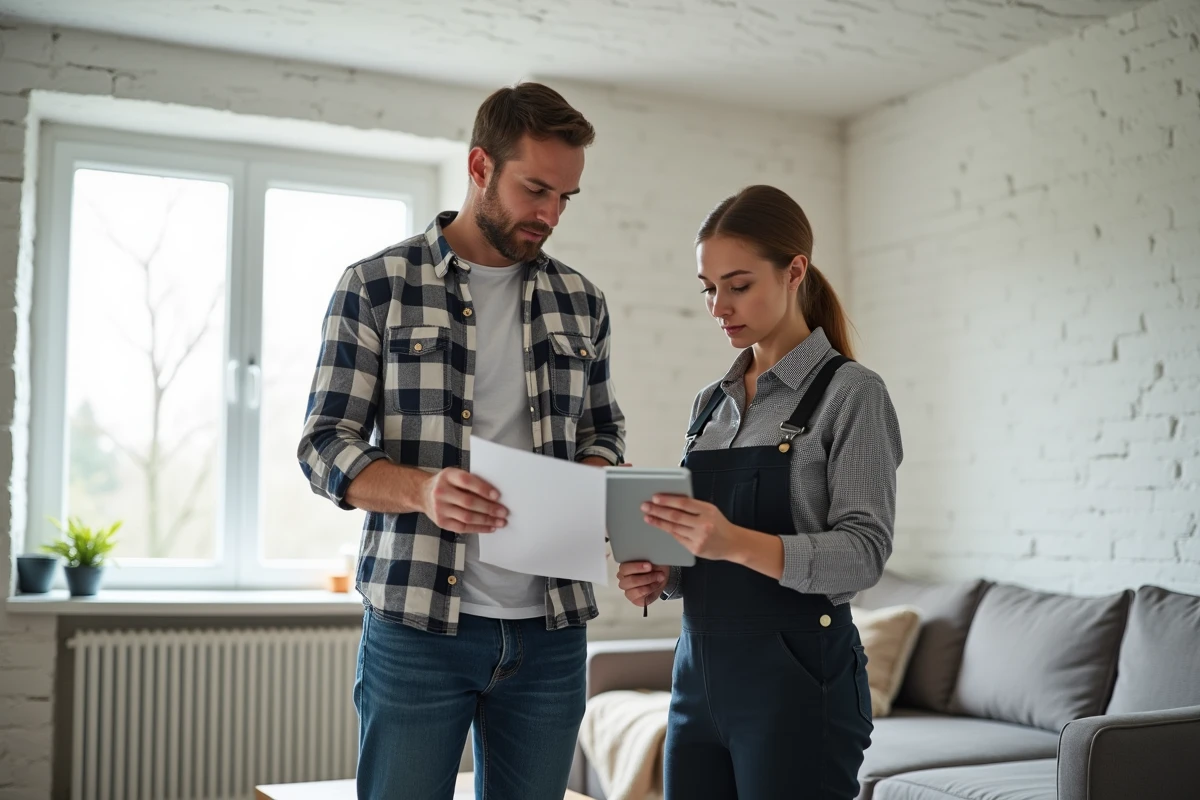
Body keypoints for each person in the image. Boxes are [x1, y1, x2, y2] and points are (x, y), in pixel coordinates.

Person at [298, 82, 626, 800]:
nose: (549, 214)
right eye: (535, 189)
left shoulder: (582, 301)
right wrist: (424, 491)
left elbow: (604, 429)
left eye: (566, 197)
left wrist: (594, 475)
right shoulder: (376, 286)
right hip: (419, 627)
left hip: (551, 631)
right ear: (480, 166)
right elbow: (325, 444)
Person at [616, 185, 902, 799]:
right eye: (708, 288)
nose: (719, 306)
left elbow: (863, 553)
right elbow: (699, 549)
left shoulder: (853, 393)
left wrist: (735, 541)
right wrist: (661, 573)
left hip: (800, 687)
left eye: (738, 285)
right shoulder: (709, 404)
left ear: (794, 270)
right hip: (697, 679)